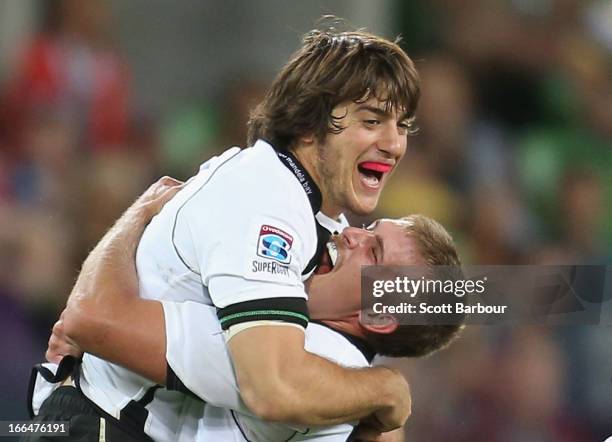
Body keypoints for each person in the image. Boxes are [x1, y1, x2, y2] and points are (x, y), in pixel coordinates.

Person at [28, 25, 421, 441]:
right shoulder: (267, 197)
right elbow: (275, 389)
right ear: (309, 125)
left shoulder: (322, 223)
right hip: (100, 424)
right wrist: (386, 388)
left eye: (403, 126)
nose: (394, 144)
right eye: (373, 121)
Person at [41, 177, 463, 441]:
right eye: (370, 229)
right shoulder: (346, 376)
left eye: (375, 250)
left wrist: (141, 211)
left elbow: (91, 317)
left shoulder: (284, 359)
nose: (351, 234)